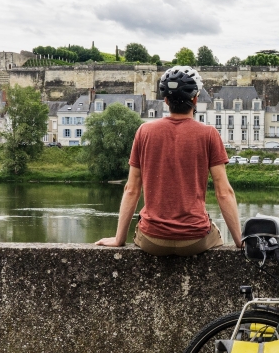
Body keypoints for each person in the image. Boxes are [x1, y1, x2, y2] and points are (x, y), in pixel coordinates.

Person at [95, 66, 241, 255]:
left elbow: (131, 189)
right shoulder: (209, 134)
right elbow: (224, 192)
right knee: (216, 233)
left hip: (151, 240)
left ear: (165, 101)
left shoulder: (144, 132)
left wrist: (119, 239)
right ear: (195, 99)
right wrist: (239, 241)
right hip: (194, 239)